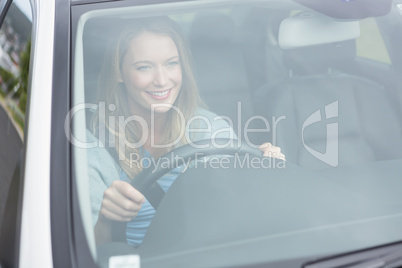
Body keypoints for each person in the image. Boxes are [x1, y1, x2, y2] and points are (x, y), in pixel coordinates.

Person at [88, 16, 285, 247]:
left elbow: (243, 212)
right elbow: (85, 253)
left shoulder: (209, 128)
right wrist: (105, 220)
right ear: (119, 73)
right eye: (144, 67)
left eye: (171, 63)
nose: (162, 80)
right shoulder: (95, 148)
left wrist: (262, 174)